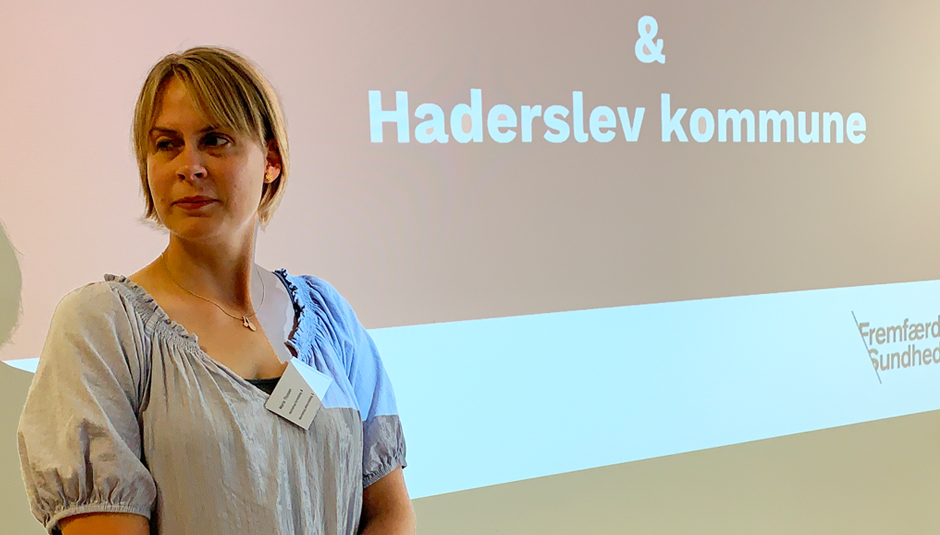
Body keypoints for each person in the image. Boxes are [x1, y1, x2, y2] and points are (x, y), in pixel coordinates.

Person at [17, 46, 414, 535]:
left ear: (270, 160)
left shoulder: (328, 317)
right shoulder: (102, 326)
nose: (189, 166)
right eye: (167, 144)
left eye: (215, 140)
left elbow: (389, 512)